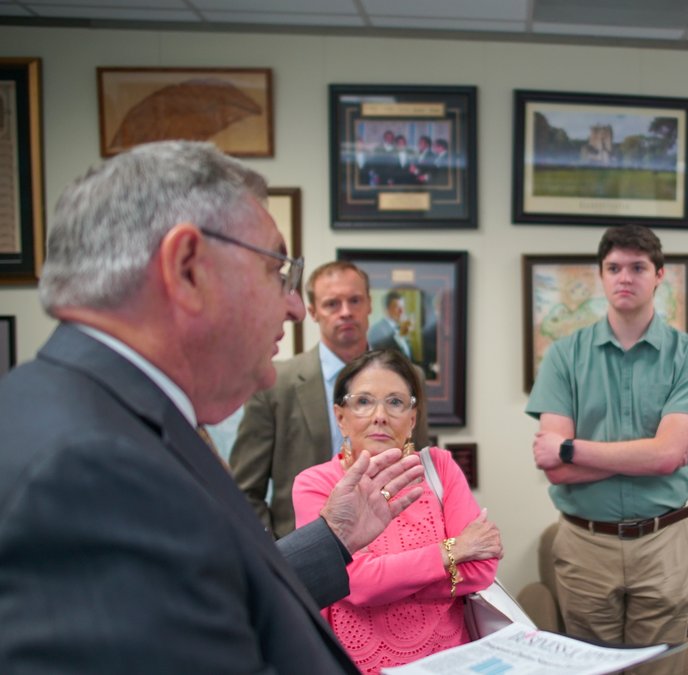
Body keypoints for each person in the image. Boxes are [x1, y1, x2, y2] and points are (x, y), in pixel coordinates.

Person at [0, 141, 426, 672]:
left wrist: (333, 538)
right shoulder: (88, 467)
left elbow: (208, 588)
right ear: (187, 269)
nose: (295, 307)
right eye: (278, 271)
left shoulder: (99, 415)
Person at [527, 224, 688, 674]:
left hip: (662, 543)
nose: (624, 277)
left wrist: (570, 448)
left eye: (638, 267)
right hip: (585, 545)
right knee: (592, 671)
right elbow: (556, 470)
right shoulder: (563, 355)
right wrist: (647, 457)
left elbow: (667, 456)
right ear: (601, 275)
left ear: (659, 275)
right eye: (614, 268)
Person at [294, 349, 501, 673]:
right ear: (341, 416)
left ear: (412, 418)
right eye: (364, 401)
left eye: (395, 402)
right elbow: (353, 583)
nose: (380, 415)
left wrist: (384, 581)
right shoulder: (316, 484)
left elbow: (481, 568)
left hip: (448, 663)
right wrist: (452, 551)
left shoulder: (440, 468)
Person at [231, 262, 432, 539]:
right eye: (332, 304)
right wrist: (275, 551)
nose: (346, 311)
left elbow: (418, 461)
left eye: (354, 300)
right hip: (300, 548)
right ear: (313, 311)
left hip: (397, 544)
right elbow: (244, 491)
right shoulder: (275, 384)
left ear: (369, 304)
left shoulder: (410, 378)